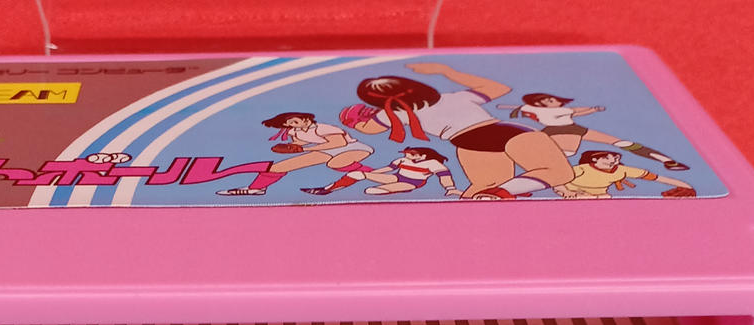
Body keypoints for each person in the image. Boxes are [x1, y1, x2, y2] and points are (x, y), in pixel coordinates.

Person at [340, 63, 573, 200]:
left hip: (469, 144)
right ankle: (503, 190)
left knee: (479, 191)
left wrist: (353, 117)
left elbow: (367, 129)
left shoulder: (394, 114)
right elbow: (498, 88)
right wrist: (446, 71)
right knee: (558, 172)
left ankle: (496, 194)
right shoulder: (456, 97)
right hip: (504, 131)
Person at [497, 93, 690, 170]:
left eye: (552, 99)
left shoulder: (539, 109)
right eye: (547, 101)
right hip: (558, 131)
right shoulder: (547, 111)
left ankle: (667, 161)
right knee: (566, 153)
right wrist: (593, 109)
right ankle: (514, 164)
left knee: (620, 142)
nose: (553, 101)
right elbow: (576, 110)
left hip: (575, 128)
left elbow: (575, 111)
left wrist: (593, 110)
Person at [216, 112, 374, 196]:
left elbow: (339, 143)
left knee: (336, 163)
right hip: (323, 150)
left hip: (352, 147)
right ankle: (255, 188)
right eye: (288, 123)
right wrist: (290, 147)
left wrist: (304, 150)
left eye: (294, 121)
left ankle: (373, 174)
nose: (291, 124)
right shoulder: (295, 131)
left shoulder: (323, 127)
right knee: (278, 167)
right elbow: (301, 143)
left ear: (305, 119)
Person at [301, 147, 458, 196]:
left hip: (413, 183)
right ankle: (327, 189)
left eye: (410, 154)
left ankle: (395, 192)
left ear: (422, 156)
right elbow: (389, 169)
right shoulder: (402, 160)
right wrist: (373, 173)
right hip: (396, 177)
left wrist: (450, 188)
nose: (406, 156)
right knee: (356, 174)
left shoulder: (433, 163)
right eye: (406, 153)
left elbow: (444, 177)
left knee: (371, 191)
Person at [557, 150, 696, 199]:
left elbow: (657, 178)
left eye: (615, 158)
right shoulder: (582, 168)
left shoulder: (622, 170)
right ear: (595, 160)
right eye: (607, 158)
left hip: (599, 196)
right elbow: (557, 180)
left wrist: (687, 187)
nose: (613, 161)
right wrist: (565, 191)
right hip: (570, 192)